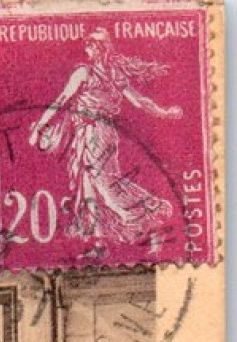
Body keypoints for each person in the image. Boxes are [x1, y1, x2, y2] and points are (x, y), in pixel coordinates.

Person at [27, 28, 183, 256]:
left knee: (105, 185)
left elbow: (137, 101)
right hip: (86, 133)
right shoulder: (99, 73)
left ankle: (151, 216)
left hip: (97, 132)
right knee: (88, 186)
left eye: (91, 45)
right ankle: (98, 243)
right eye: (87, 44)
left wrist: (164, 112)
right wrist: (164, 112)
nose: (87, 49)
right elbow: (63, 100)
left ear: (101, 49)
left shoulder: (91, 73)